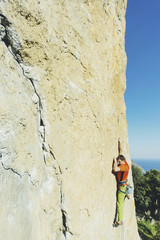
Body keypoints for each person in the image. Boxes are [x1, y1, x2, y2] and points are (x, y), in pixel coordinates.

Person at [113, 154, 129, 227]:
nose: (118, 163)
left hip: (122, 187)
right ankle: (127, 193)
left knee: (120, 204)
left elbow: (115, 169)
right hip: (124, 185)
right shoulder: (125, 162)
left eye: (119, 161)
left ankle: (120, 220)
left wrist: (114, 162)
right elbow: (122, 153)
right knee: (121, 201)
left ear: (122, 160)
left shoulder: (124, 166)